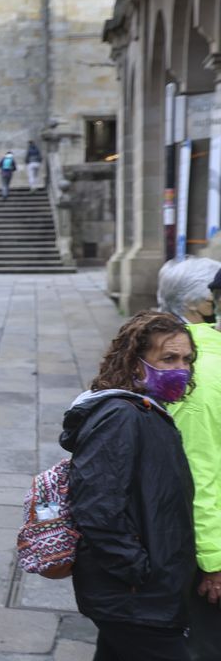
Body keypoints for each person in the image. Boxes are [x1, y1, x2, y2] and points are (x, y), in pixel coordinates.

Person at [62, 311, 196, 661]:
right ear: (135, 363)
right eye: (168, 359)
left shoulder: (149, 411)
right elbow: (95, 505)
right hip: (135, 597)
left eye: (186, 359)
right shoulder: (121, 416)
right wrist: (137, 572)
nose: (180, 368)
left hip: (143, 593)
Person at [157, 260, 221, 659]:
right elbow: (199, 469)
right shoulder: (196, 365)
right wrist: (213, 559)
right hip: (197, 540)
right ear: (204, 304)